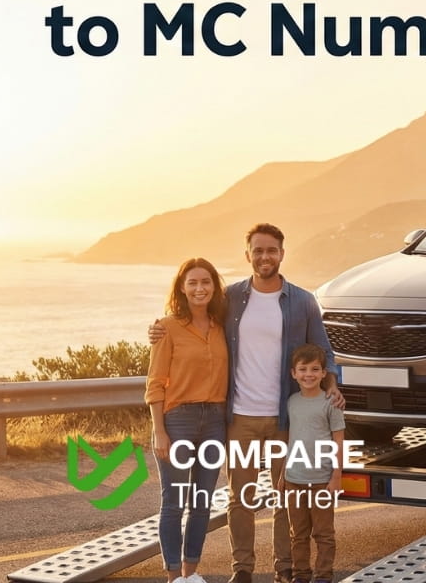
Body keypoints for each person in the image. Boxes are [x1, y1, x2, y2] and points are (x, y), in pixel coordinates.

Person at [151, 223, 343, 583]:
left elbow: (324, 353)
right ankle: (243, 570)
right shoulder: (232, 298)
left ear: (282, 254)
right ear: (248, 255)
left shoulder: (302, 301)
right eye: (258, 250)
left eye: (271, 250)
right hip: (239, 418)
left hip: (286, 419)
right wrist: (159, 328)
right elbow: (194, 317)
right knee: (242, 500)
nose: (265, 256)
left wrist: (332, 385)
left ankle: (284, 569)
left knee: (286, 497)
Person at [146, 258, 230, 583]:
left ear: (214, 286)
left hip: (215, 421)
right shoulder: (166, 327)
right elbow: (155, 382)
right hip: (177, 419)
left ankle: (190, 575)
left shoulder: (224, 326)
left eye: (205, 282)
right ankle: (172, 577)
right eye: (192, 283)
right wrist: (159, 430)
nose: (199, 288)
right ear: (182, 287)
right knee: (174, 501)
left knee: (202, 502)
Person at [276, 344, 345, 583]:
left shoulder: (330, 403)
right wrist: (283, 473)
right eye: (303, 369)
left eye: (315, 369)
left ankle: (324, 576)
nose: (309, 374)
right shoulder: (291, 402)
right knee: (298, 535)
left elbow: (338, 440)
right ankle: (301, 575)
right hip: (295, 479)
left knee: (324, 534)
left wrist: (337, 475)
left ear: (324, 373)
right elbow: (291, 440)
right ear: (293, 374)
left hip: (321, 481)